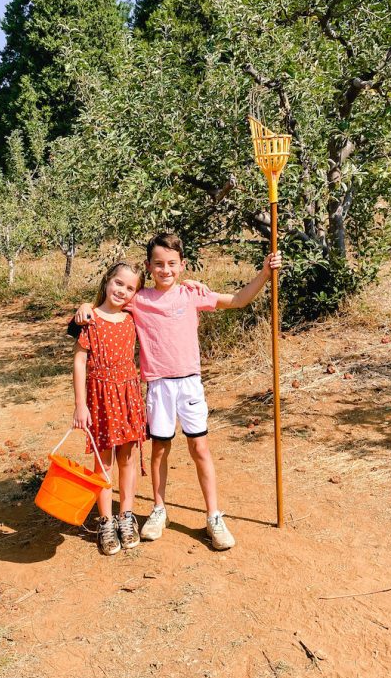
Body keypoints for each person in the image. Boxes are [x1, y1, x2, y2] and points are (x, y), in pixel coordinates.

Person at [75, 233, 282, 550]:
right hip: (157, 385)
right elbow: (108, 301)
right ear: (149, 266)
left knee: (200, 448)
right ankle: (159, 509)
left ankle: (214, 516)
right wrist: (84, 306)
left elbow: (239, 300)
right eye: (158, 264)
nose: (165, 270)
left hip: (190, 384)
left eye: (172, 264)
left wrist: (265, 273)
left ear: (182, 266)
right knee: (159, 451)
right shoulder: (138, 298)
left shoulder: (191, 294)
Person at [71, 261, 146, 556]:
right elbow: (79, 361)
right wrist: (80, 404)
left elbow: (159, 299)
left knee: (128, 457)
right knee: (103, 463)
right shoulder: (90, 319)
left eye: (130, 288)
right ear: (107, 281)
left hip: (128, 395)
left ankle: (126, 516)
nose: (123, 291)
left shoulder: (132, 317)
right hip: (100, 399)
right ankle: (104, 521)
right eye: (119, 283)